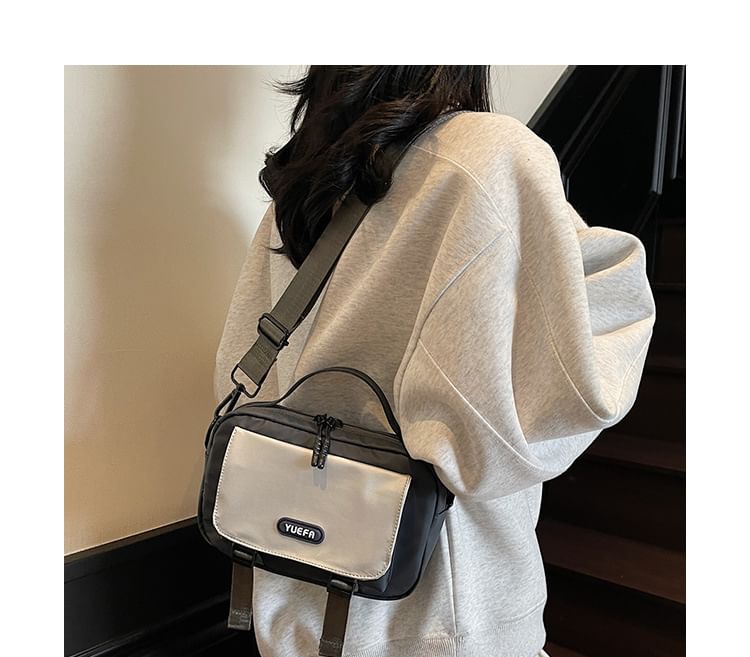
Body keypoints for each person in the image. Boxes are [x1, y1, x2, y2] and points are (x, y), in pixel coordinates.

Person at [213, 66, 656, 657]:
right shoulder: (488, 156)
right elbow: (507, 435)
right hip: (442, 621)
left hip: (290, 597)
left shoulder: (304, 178)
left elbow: (243, 381)